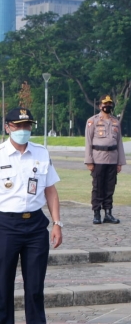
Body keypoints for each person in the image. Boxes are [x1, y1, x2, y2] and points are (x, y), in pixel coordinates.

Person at [0, 107, 62, 324]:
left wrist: (57, 223)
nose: (23, 130)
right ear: (8, 127)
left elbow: (50, 190)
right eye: (18, 126)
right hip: (6, 225)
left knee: (35, 287)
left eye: (27, 126)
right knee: (2, 286)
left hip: (35, 225)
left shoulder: (41, 153)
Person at [84, 95, 125, 225]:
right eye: (104, 104)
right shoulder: (93, 121)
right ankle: (97, 213)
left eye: (109, 104)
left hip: (112, 158)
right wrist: (89, 160)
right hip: (98, 158)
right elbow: (88, 141)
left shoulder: (115, 122)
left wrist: (120, 162)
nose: (107, 106)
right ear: (99, 106)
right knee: (97, 187)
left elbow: (119, 143)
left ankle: (108, 212)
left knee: (110, 187)